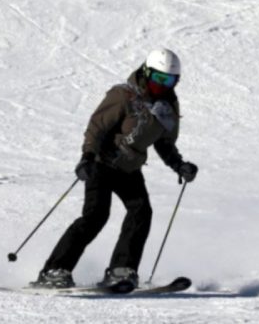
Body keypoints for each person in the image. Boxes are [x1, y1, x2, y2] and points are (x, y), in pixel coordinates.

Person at [32, 49, 199, 288]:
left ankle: (122, 270)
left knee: (141, 212)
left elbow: (163, 142)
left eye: (170, 80)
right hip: (101, 163)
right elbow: (97, 127)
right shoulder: (123, 95)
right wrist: (87, 157)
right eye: (159, 78)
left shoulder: (168, 105)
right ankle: (54, 270)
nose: (163, 85)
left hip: (129, 169)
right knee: (96, 216)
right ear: (146, 72)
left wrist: (179, 165)